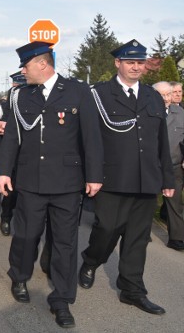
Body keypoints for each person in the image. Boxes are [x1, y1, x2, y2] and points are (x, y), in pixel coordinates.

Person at [0, 41, 103, 329]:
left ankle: (62, 300)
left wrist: (94, 176)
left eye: (26, 65)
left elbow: (91, 137)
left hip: (67, 183)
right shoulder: (20, 96)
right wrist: (5, 172)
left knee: (66, 243)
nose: (22, 70)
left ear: (42, 64)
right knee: (26, 236)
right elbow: (11, 138)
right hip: (30, 181)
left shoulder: (78, 91)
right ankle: (19, 277)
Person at [79, 40, 175, 316]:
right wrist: (93, 175)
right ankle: (91, 259)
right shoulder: (98, 94)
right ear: (117, 63)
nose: (136, 66)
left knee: (137, 237)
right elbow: (92, 140)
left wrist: (167, 179)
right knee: (107, 228)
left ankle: (132, 290)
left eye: (140, 62)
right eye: (130, 61)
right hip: (112, 179)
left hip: (147, 180)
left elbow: (160, 141)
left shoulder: (152, 96)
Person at [0, 71, 27, 236]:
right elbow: (7, 116)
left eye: (20, 83)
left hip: (30, 152)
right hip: (15, 150)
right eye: (15, 84)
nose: (16, 87)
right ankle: (6, 217)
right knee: (10, 190)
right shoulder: (13, 96)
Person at [152, 82, 184, 251]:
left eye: (168, 94)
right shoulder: (146, 110)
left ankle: (177, 238)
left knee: (174, 203)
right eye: (161, 94)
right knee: (145, 202)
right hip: (151, 166)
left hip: (173, 165)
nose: (165, 98)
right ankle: (140, 232)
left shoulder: (180, 113)